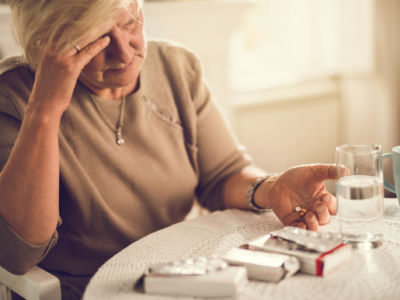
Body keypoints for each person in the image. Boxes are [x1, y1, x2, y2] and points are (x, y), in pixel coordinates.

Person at [0, 0, 338, 298]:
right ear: (48, 44)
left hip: (185, 275)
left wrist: (272, 187)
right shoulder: (13, 94)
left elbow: (223, 175)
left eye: (129, 20)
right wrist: (44, 111)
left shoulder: (176, 66)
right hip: (91, 290)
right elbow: (19, 250)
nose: (124, 51)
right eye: (95, 39)